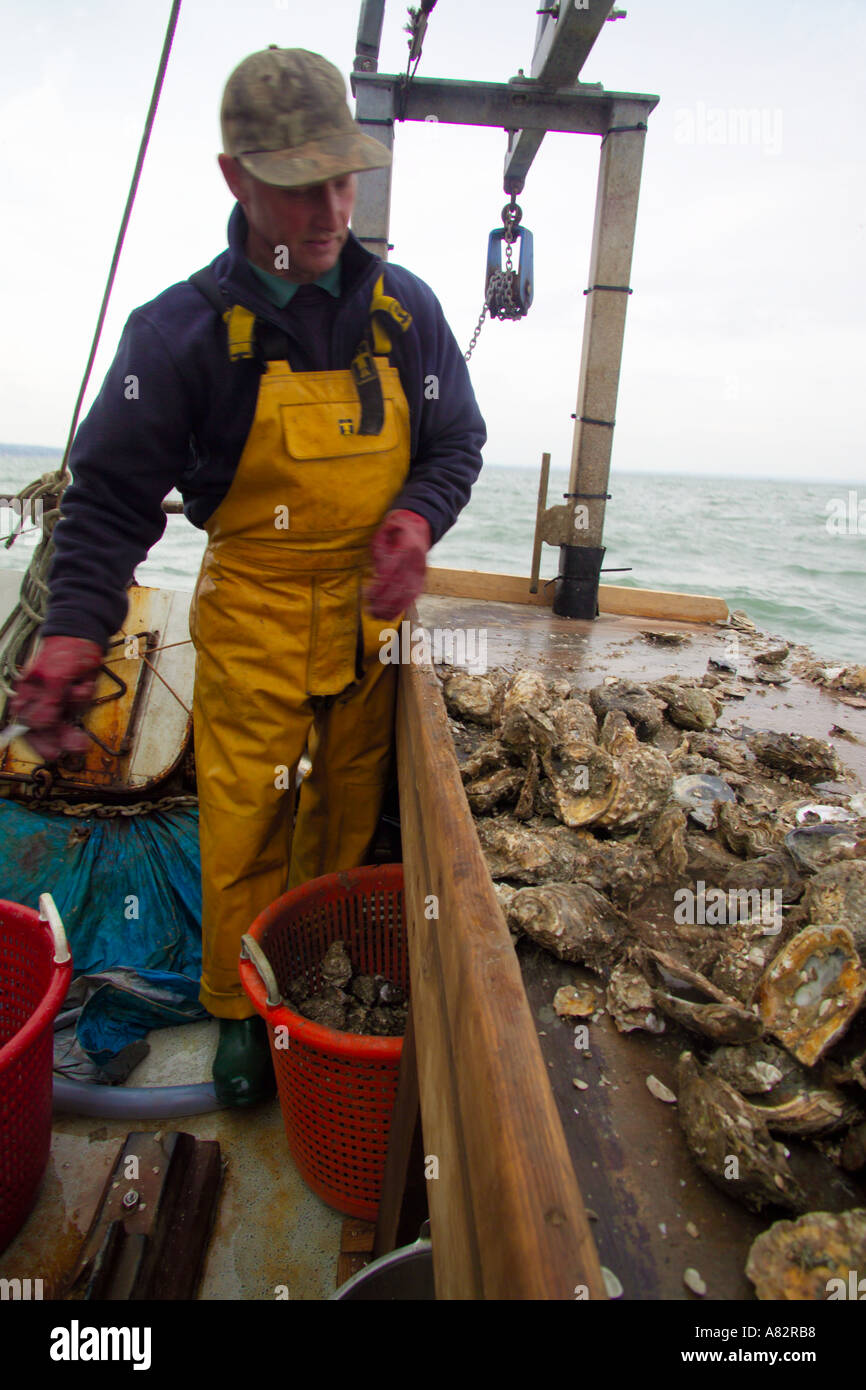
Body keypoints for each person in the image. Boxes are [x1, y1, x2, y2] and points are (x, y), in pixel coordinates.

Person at [11, 47, 486, 1105]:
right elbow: (109, 499)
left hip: (370, 624)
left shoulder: (403, 312)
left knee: (344, 814)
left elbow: (456, 439)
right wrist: (76, 630)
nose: (326, 209)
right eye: (296, 182)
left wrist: (415, 516)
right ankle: (237, 1016)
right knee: (243, 822)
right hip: (257, 618)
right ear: (234, 177)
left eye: (341, 179)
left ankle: (307, 988)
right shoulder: (177, 334)